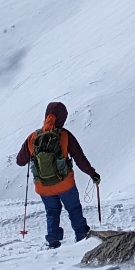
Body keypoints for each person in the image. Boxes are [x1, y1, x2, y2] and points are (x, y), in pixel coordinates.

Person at [15, 101, 101, 248]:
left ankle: (53, 242)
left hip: (43, 186)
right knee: (74, 209)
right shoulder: (65, 136)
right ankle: (82, 237)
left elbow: (19, 161)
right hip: (65, 184)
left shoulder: (33, 137)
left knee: (52, 213)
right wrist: (92, 174)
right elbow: (80, 159)